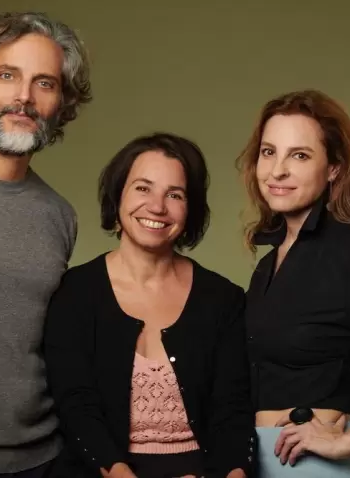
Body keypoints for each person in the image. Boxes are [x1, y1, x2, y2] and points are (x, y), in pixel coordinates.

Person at [43, 132, 256, 478]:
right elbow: (76, 404)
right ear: (118, 195)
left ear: (191, 209)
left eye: (175, 194)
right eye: (143, 188)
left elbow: (232, 410)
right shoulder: (76, 291)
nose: (157, 206)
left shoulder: (223, 299)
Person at [0, 10, 91, 478]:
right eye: (8, 75)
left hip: (41, 459)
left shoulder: (59, 216)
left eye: (44, 83)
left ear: (60, 103)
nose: (24, 97)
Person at [236, 89, 350, 477]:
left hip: (314, 467)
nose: (277, 171)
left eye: (300, 155)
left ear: (334, 168)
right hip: (259, 459)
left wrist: (346, 441)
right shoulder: (271, 259)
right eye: (269, 152)